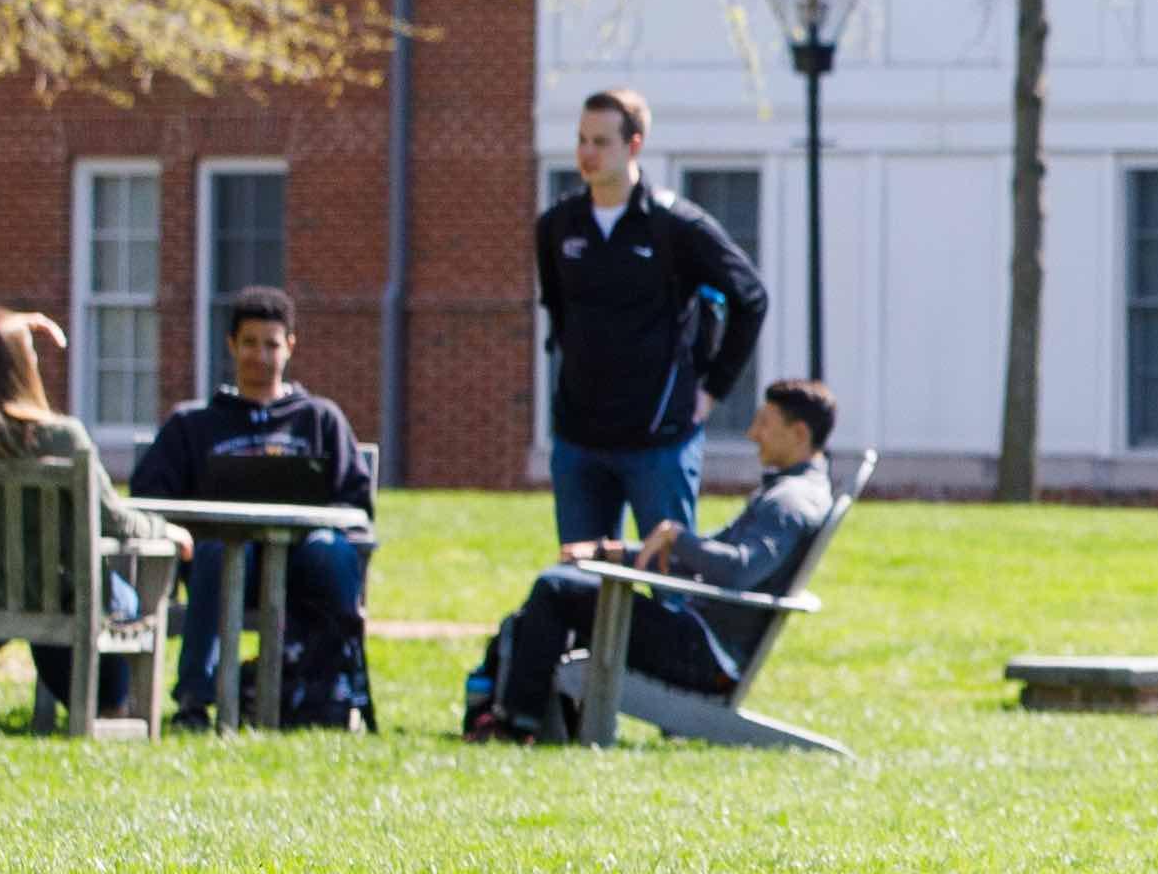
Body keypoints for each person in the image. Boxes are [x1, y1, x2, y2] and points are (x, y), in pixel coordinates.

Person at [470, 375, 842, 740]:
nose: (752, 433)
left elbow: (737, 570)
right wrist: (612, 552)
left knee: (556, 589)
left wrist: (678, 538)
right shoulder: (792, 492)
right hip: (700, 638)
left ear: (799, 435)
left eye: (764, 423)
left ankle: (515, 724)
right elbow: (709, 563)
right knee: (565, 588)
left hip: (704, 656)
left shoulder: (790, 503)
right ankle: (529, 719)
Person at [127, 281, 379, 727]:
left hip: (300, 564)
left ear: (290, 347)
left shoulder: (318, 420)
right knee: (220, 552)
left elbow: (355, 505)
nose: (260, 356)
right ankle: (195, 701)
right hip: (215, 561)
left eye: (271, 345)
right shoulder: (194, 424)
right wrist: (178, 532)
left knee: (331, 554)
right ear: (231, 345)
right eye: (249, 344)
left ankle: (329, 694)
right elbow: (149, 498)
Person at [532, 86, 770, 550]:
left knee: (668, 589)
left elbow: (751, 298)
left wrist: (712, 390)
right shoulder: (557, 227)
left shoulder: (676, 226)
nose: (587, 153)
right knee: (581, 588)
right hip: (578, 439)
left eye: (601, 142)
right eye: (582, 140)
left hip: (659, 442)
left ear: (634, 145)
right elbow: (558, 312)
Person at [0, 307, 179, 727]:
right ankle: (110, 706)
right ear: (26, 366)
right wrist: (166, 531)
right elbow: (113, 520)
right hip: (58, 597)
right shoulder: (61, 436)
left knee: (83, 595)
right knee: (124, 599)